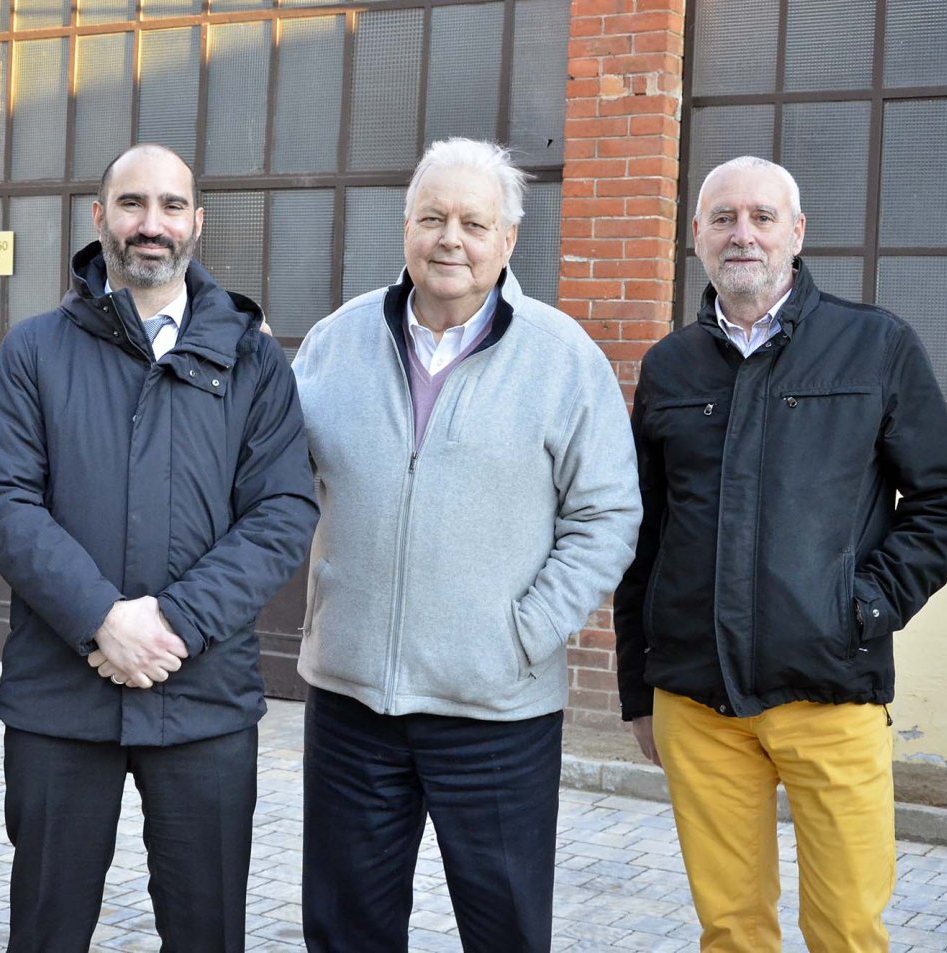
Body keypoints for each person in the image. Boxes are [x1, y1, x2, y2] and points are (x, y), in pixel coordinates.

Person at [613, 156, 947, 952]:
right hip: (695, 700)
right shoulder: (669, 367)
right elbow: (642, 534)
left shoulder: (873, 345)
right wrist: (636, 684)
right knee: (731, 930)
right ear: (696, 238)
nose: (741, 233)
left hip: (829, 693)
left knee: (847, 928)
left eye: (761, 216)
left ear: (796, 233)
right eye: (722, 218)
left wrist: (862, 606)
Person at [292, 138, 642, 952]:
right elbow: (276, 483)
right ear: (405, 227)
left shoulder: (561, 359)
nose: (450, 238)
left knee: (505, 930)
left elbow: (607, 515)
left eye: (473, 222)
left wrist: (519, 634)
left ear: (508, 239)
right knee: (345, 930)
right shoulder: (336, 341)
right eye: (432, 217)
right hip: (350, 705)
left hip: (494, 709)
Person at [0, 143, 317, 953]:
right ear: (99, 219)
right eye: (131, 204)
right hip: (62, 698)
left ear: (197, 221)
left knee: (206, 931)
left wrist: (171, 624)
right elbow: (1, 499)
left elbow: (281, 511)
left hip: (202, 699)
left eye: (169, 206)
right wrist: (99, 618)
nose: (149, 224)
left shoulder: (254, 360)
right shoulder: (34, 351)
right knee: (47, 929)